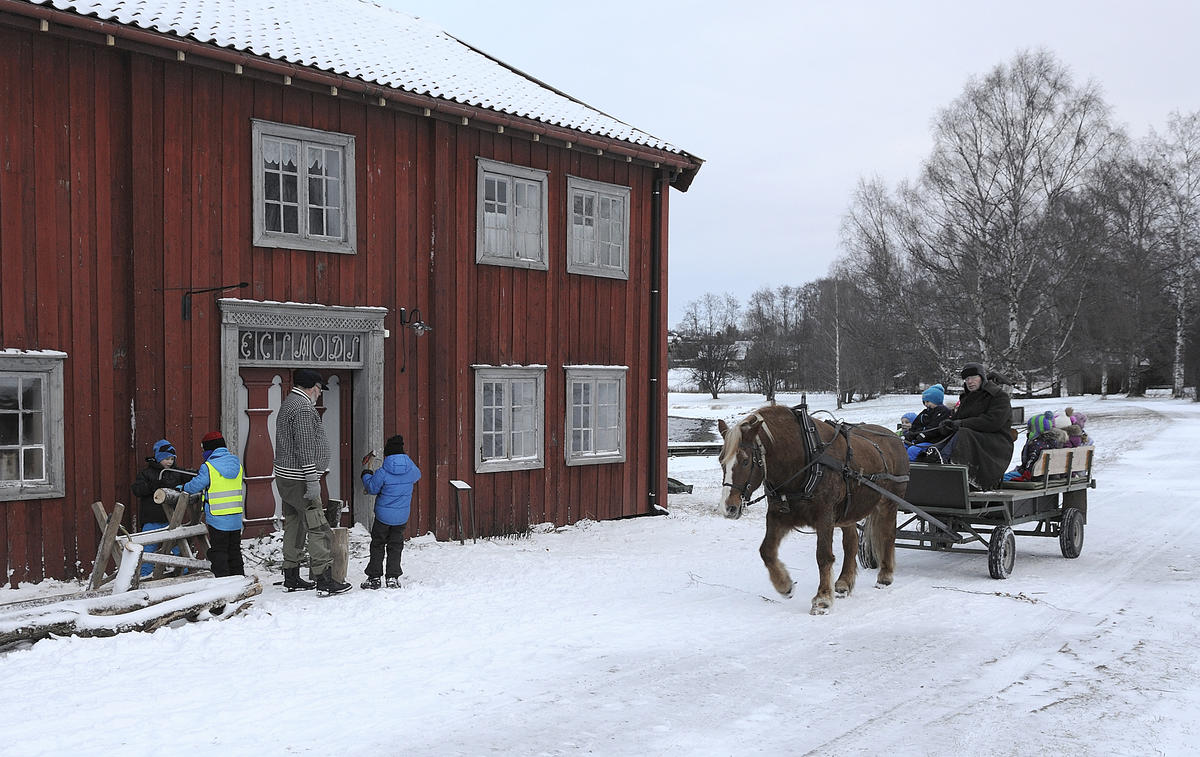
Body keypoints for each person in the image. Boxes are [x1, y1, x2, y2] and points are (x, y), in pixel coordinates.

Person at [273, 368, 351, 595]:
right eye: (319, 389)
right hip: (300, 478)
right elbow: (305, 446)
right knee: (317, 527)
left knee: (294, 524)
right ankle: (325, 580)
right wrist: (312, 478)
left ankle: (291, 575)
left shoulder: (289, 403)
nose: (319, 394)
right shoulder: (304, 408)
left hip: (286, 476)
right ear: (313, 387)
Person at [933, 362, 1015, 490]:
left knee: (963, 433)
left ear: (982, 377)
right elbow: (958, 419)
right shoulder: (967, 398)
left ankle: (942, 458)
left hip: (994, 444)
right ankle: (931, 455)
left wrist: (962, 424)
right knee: (957, 433)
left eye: (973, 377)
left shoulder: (999, 396)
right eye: (966, 379)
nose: (969, 382)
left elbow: (993, 422)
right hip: (972, 440)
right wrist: (947, 425)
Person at [359, 434, 422, 589]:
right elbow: (417, 475)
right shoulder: (411, 469)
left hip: (383, 517)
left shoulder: (383, 472)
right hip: (401, 517)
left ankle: (374, 577)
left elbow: (372, 488)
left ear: (387, 454)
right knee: (395, 545)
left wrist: (366, 475)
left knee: (378, 544)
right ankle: (392, 577)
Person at [183, 431, 245, 578]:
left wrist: (183, 487)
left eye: (204, 449)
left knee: (219, 551)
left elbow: (195, 486)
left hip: (218, 518)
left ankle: (222, 581)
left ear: (209, 449)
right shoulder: (237, 464)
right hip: (235, 517)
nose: (203, 452)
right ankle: (239, 578)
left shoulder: (209, 466)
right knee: (234, 550)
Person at [130, 439, 191, 577]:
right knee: (148, 549)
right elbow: (137, 489)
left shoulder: (176, 472)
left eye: (171, 459)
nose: (169, 462)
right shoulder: (147, 474)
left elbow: (190, 477)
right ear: (158, 458)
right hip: (152, 518)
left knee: (178, 546)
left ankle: (186, 572)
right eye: (166, 459)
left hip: (172, 518)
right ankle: (144, 575)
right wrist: (153, 485)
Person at [1003, 410, 1067, 482]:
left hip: (1035, 476)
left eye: (1030, 428)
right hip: (1049, 475)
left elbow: (1030, 465)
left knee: (1002, 478)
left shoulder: (1036, 444)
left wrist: (1021, 470)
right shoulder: (1054, 442)